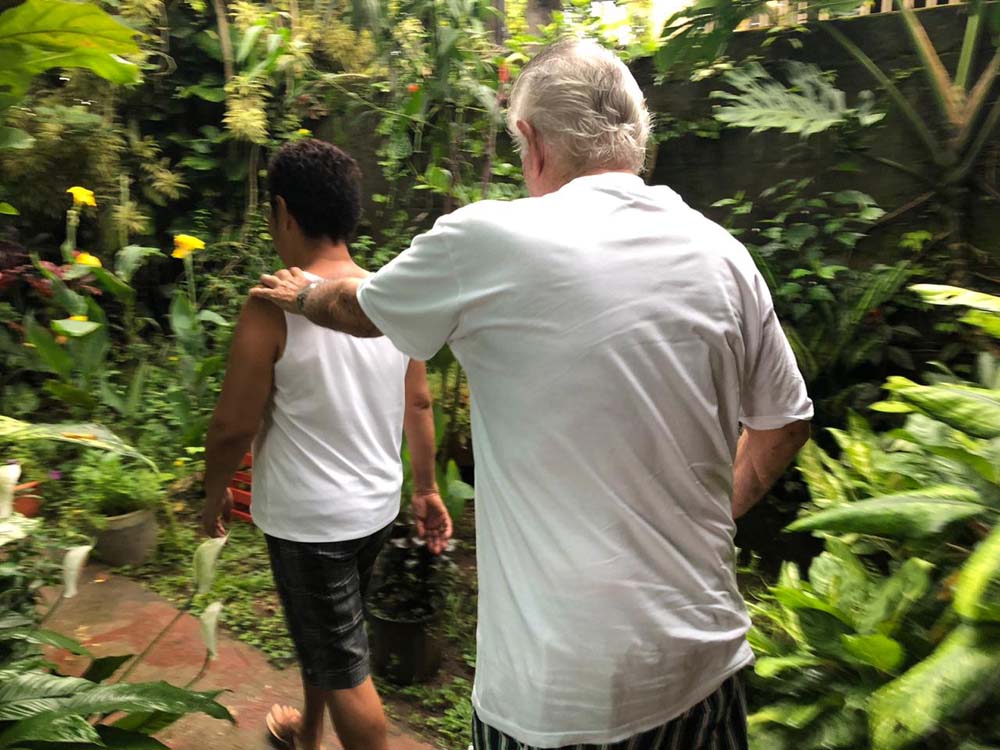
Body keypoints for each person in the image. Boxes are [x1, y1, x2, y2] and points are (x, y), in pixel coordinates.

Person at [250, 40, 813, 750]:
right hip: (706, 671)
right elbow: (785, 422)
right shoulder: (723, 254)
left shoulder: (488, 239)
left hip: (557, 699)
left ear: (530, 139)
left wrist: (305, 293)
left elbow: (361, 309)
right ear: (637, 138)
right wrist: (710, 513)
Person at [201, 138, 453, 750]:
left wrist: (212, 495)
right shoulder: (389, 298)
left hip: (309, 524)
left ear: (283, 213)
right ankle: (308, 734)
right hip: (373, 510)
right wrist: (425, 487)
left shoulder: (272, 306)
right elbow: (418, 403)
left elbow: (233, 426)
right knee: (331, 636)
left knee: (344, 668)